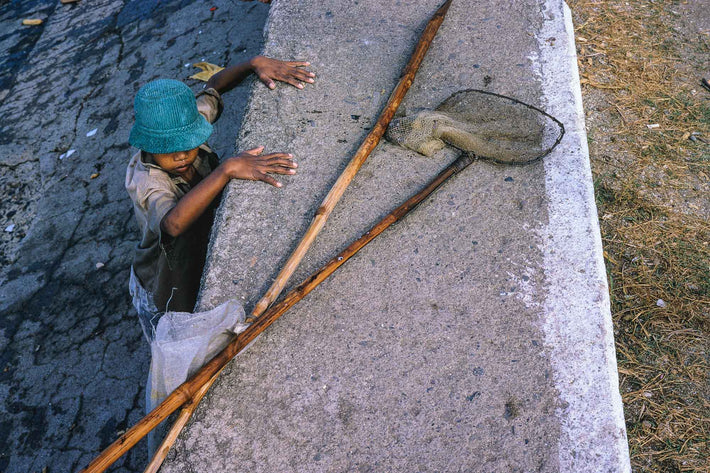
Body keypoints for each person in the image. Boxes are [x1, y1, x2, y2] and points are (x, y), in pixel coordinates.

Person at [126, 56, 315, 342]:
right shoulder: (146, 182)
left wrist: (253, 63)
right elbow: (174, 224)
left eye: (188, 146)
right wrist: (227, 169)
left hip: (197, 238)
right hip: (163, 272)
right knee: (174, 330)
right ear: (148, 147)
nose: (181, 156)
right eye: (169, 151)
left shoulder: (188, 120)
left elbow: (214, 87)